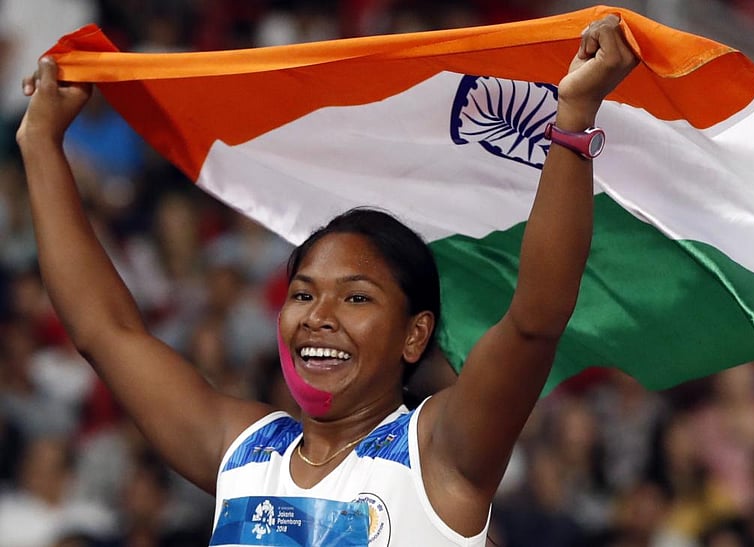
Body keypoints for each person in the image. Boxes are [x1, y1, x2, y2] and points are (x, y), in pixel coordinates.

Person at [16, 15, 637, 546]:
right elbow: (106, 331)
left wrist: (573, 119)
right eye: (303, 293)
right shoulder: (243, 453)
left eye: (356, 296)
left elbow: (535, 319)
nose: (318, 315)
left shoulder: (440, 453)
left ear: (415, 335)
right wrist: (41, 142)